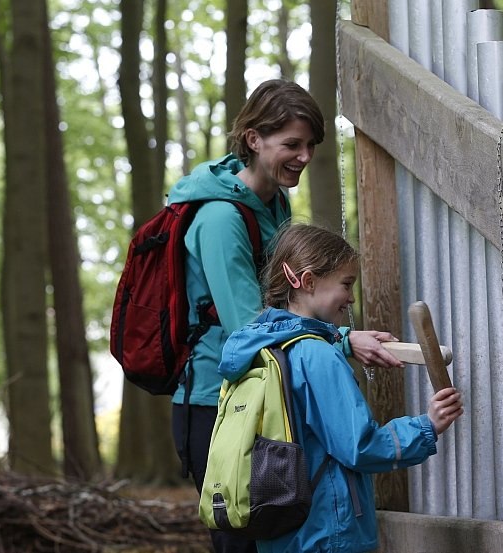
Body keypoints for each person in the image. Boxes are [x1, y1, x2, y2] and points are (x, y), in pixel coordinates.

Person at [166, 79, 403, 553]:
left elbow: (288, 305)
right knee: (242, 543)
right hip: (218, 402)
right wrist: (341, 340)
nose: (305, 156)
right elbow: (248, 329)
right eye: (292, 144)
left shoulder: (275, 202)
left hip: (268, 392)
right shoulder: (220, 219)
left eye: (312, 145)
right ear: (253, 139)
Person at [218, 224, 465, 553]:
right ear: (306, 281)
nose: (350, 298)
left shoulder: (262, 349)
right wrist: (427, 426)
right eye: (346, 284)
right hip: (328, 530)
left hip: (284, 529)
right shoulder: (317, 355)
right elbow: (359, 445)